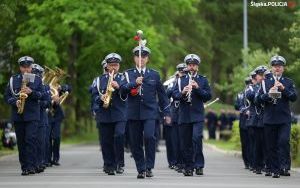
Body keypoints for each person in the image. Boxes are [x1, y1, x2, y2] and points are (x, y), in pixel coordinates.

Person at [120, 46, 171, 178]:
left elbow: (162, 95)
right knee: (135, 142)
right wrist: (133, 83)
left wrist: (167, 113)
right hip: (133, 113)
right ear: (134, 58)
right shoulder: (127, 74)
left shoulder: (154, 74)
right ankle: (141, 168)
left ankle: (149, 167)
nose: (141, 59)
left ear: (147, 59)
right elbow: (122, 91)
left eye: (143, 56)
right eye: (138, 56)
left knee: (149, 137)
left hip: (150, 112)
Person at [256, 55, 297, 178]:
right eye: (275, 66)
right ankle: (275, 169)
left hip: (284, 118)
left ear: (283, 68)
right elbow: (258, 100)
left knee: (283, 142)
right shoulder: (265, 82)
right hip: (269, 118)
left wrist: (283, 89)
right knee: (271, 145)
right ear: (271, 68)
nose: (277, 68)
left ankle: (283, 166)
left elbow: (294, 97)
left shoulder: (288, 82)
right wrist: (269, 94)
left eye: (279, 66)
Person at [172, 54, 212, 176]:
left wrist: (198, 88)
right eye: (189, 65)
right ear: (187, 66)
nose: (192, 67)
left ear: (197, 67)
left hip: (197, 115)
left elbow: (208, 96)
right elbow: (173, 95)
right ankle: (188, 166)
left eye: (194, 65)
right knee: (185, 143)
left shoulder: (203, 79)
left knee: (196, 138)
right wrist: (182, 92)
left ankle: (199, 165)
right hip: (184, 115)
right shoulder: (180, 80)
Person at [4, 56, 43, 175]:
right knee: (21, 142)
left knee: (30, 140)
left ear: (31, 67)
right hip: (18, 115)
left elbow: (41, 95)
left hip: (32, 115)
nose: (26, 69)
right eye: (23, 67)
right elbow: (7, 96)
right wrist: (14, 101)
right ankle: (24, 167)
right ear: (20, 67)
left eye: (28, 67)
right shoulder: (13, 80)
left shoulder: (37, 79)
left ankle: (31, 166)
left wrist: (32, 92)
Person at [91, 53, 127, 175]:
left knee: (119, 135)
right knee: (106, 141)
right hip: (104, 113)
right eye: (111, 65)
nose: (113, 68)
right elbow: (94, 95)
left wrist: (119, 87)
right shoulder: (99, 80)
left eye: (116, 65)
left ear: (119, 66)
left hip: (120, 113)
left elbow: (127, 93)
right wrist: (100, 98)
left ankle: (119, 162)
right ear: (106, 66)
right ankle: (109, 164)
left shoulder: (124, 78)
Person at [165, 63, 186, 171]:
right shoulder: (173, 82)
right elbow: (167, 94)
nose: (182, 74)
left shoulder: (188, 80)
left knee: (184, 139)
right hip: (174, 113)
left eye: (184, 72)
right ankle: (175, 162)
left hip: (185, 113)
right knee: (174, 140)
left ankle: (183, 162)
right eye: (180, 72)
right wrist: (175, 81)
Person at [32, 64, 51, 173]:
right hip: (29, 117)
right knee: (30, 141)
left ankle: (39, 162)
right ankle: (31, 164)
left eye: (38, 74)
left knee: (40, 142)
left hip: (41, 118)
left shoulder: (45, 87)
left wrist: (38, 102)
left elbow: (48, 103)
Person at [234, 77, 251, 169]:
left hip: (252, 120)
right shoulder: (241, 94)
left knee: (253, 143)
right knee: (245, 143)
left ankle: (253, 161)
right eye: (247, 83)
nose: (249, 85)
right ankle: (247, 162)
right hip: (244, 121)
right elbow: (237, 106)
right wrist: (243, 109)